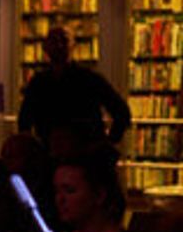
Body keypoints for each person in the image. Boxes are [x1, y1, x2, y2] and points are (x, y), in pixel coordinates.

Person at [17, 26, 131, 158]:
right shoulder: (38, 82)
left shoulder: (89, 78)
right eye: (54, 40)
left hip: (84, 156)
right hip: (52, 156)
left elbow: (121, 112)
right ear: (45, 47)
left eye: (64, 40)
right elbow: (24, 120)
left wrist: (107, 143)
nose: (59, 45)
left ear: (73, 45)